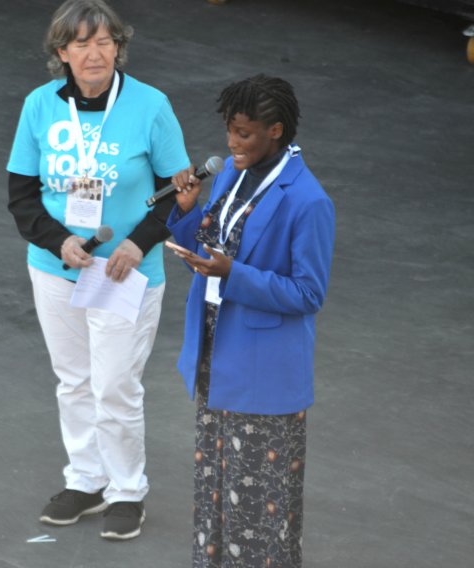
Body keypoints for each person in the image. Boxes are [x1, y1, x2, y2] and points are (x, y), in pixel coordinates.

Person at [6, 0, 190, 541]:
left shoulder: (150, 106)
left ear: (118, 48)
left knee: (114, 385)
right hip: (55, 268)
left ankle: (127, 490)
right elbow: (22, 196)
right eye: (82, 44)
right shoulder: (39, 106)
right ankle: (86, 480)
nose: (94, 53)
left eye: (105, 42)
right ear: (62, 52)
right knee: (74, 381)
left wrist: (138, 242)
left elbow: (180, 194)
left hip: (123, 273)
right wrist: (58, 241)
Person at [168, 74, 335, 567]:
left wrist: (234, 275)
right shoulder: (231, 177)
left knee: (259, 510)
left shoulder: (308, 200)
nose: (231, 143)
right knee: (214, 495)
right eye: (229, 130)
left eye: (243, 133)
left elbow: (308, 293)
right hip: (216, 359)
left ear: (275, 130)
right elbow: (210, 253)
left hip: (263, 375)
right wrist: (188, 213)